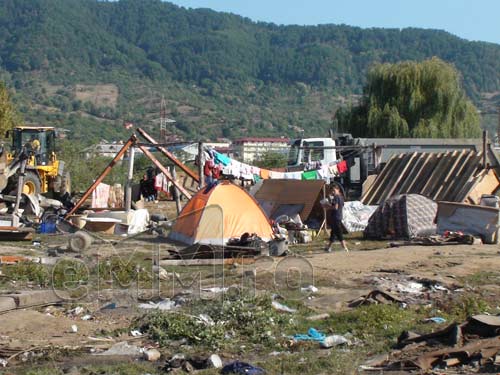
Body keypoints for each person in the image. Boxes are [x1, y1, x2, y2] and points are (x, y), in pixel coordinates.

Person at [325, 185, 349, 252]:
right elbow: (341, 205)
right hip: (339, 216)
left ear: (338, 189)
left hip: (335, 216)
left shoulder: (336, 197)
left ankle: (345, 248)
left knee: (339, 233)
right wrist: (330, 200)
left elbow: (335, 207)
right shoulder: (341, 197)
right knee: (333, 233)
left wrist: (327, 207)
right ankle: (328, 247)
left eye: (334, 190)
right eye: (332, 191)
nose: (333, 192)